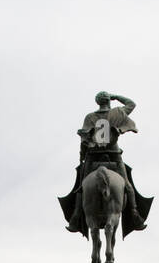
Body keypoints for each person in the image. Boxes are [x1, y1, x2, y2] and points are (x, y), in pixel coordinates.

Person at [63, 91, 149, 235]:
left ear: (98, 102)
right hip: (114, 155)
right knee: (127, 185)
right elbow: (131, 104)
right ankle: (134, 214)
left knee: (81, 187)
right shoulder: (118, 112)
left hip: (93, 157)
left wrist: (82, 157)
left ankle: (76, 216)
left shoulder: (90, 117)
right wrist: (116, 96)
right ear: (108, 101)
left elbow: (84, 140)